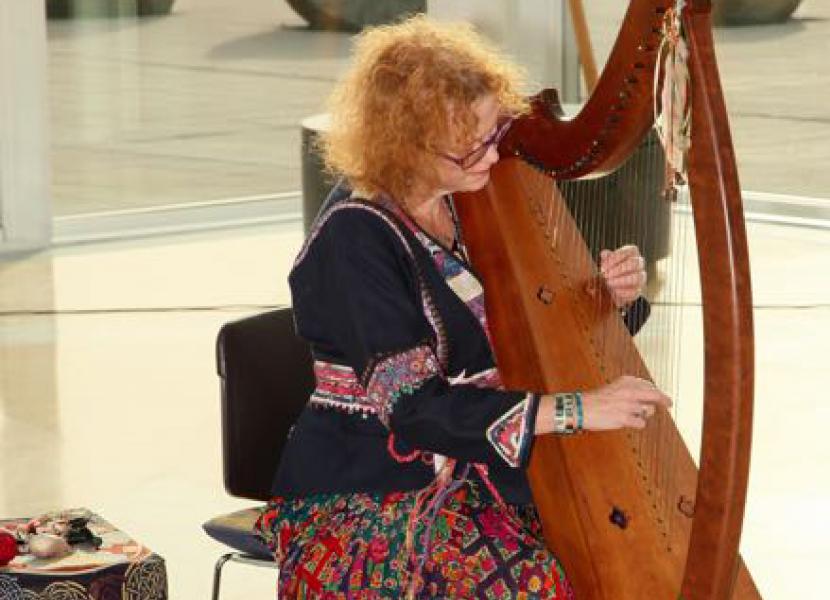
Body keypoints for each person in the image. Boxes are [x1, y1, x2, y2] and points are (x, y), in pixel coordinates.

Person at [255, 15, 671, 600]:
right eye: (469, 144)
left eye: (492, 129)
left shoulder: (472, 203)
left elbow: (528, 338)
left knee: (612, 564)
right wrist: (577, 410)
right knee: (540, 582)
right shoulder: (355, 239)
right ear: (404, 145)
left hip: (477, 472)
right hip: (369, 491)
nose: (490, 153)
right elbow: (414, 408)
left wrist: (602, 296)